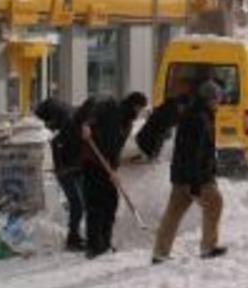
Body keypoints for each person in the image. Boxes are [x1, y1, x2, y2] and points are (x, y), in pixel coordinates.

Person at [152, 80, 226, 264]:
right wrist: (196, 182)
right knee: (215, 203)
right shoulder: (200, 118)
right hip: (196, 175)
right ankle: (208, 247)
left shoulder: (194, 114)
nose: (219, 103)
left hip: (182, 174)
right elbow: (195, 152)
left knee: (174, 212)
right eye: (217, 99)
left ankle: (160, 252)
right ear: (210, 99)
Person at [78, 92, 148, 259]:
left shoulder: (128, 123)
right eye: (138, 108)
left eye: (141, 109)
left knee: (111, 202)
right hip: (93, 161)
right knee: (95, 204)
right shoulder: (110, 106)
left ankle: (105, 242)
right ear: (132, 104)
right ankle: (94, 246)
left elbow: (117, 148)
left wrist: (114, 169)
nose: (138, 112)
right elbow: (94, 111)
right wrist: (87, 125)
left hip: (108, 164)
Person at [34, 97, 85, 251]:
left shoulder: (65, 122)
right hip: (70, 169)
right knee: (78, 204)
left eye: (47, 121)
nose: (47, 125)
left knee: (80, 204)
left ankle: (77, 237)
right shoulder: (65, 120)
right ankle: (73, 238)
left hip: (71, 168)